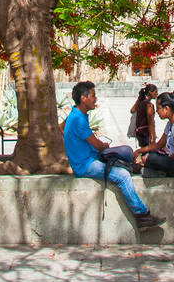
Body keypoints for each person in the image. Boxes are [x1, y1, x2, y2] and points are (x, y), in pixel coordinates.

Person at [64, 81, 164, 229]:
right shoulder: (77, 118)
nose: (95, 99)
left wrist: (73, 144)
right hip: (85, 164)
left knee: (125, 152)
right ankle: (142, 216)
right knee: (122, 175)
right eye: (93, 95)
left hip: (90, 158)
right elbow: (97, 145)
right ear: (83, 98)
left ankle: (139, 168)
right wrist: (98, 147)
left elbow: (62, 128)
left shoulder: (77, 115)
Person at [129, 84, 157, 148]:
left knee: (142, 151)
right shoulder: (149, 105)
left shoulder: (140, 102)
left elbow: (132, 110)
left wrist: (139, 99)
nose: (157, 94)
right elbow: (150, 123)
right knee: (147, 154)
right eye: (155, 92)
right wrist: (153, 138)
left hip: (139, 132)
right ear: (150, 92)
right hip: (146, 133)